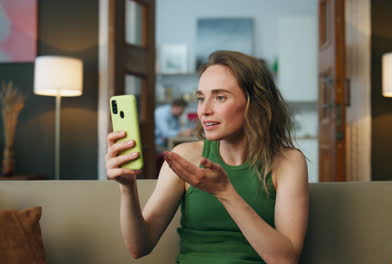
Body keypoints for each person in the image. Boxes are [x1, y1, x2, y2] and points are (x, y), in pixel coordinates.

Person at [106, 50, 309, 263]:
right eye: (201, 98)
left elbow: (285, 260)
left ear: (255, 103)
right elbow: (139, 247)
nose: (204, 110)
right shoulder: (185, 156)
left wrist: (226, 193)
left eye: (220, 97)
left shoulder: (288, 162)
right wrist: (127, 187)